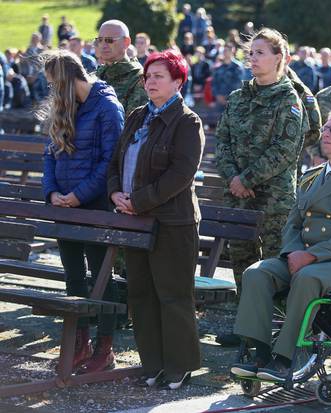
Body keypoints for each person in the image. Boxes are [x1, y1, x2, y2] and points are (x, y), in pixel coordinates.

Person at [230, 111, 331, 381]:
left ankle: (284, 359)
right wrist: (293, 253)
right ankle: (259, 354)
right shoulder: (312, 176)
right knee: (256, 273)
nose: (326, 134)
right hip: (302, 256)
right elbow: (293, 224)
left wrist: (311, 255)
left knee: (307, 278)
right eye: (325, 129)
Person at [108, 50, 205, 390]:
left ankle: (179, 366)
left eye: (159, 76)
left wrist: (141, 201)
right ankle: (152, 364)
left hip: (172, 223)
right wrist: (115, 194)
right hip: (135, 220)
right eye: (148, 76)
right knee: (141, 295)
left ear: (178, 82)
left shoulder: (187, 122)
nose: (150, 81)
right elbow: (116, 162)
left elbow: (181, 173)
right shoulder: (137, 116)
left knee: (172, 295)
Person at [214, 28, 305, 345]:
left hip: (273, 201)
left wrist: (246, 179)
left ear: (279, 58)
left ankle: (278, 331)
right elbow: (221, 141)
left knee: (273, 266)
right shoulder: (239, 98)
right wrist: (233, 178)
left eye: (260, 53)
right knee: (241, 261)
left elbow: (285, 150)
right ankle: (247, 329)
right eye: (250, 53)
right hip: (238, 197)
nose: (252, 58)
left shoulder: (288, 100)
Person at [38, 50, 125, 373]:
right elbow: (49, 155)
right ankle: (80, 342)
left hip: (95, 206)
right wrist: (53, 193)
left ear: (67, 79)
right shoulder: (64, 107)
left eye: (53, 84)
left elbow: (110, 161)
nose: (51, 91)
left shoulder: (107, 106)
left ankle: (106, 347)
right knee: (73, 276)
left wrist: (79, 194)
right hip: (65, 206)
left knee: (102, 275)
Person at [95, 20, 148, 115]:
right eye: (100, 40)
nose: (103, 45)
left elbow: (133, 124)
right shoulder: (96, 75)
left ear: (126, 42)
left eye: (109, 40)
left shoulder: (138, 78)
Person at [211, 43, 244, 108]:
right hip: (220, 100)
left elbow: (239, 83)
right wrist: (218, 95)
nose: (225, 52)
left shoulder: (237, 66)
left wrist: (229, 97)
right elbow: (214, 82)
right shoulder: (218, 67)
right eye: (224, 51)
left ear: (232, 51)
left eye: (228, 50)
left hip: (234, 101)